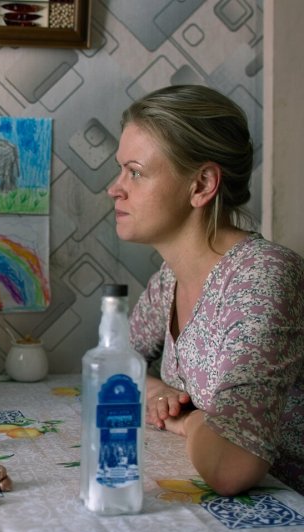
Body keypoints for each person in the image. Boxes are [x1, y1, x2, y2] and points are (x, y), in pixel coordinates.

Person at [108, 84, 304, 497]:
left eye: (135, 172)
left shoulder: (262, 277)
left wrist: (187, 418)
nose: (115, 188)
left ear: (201, 185)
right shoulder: (169, 279)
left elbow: (232, 466)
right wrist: (157, 391)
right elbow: (111, 362)